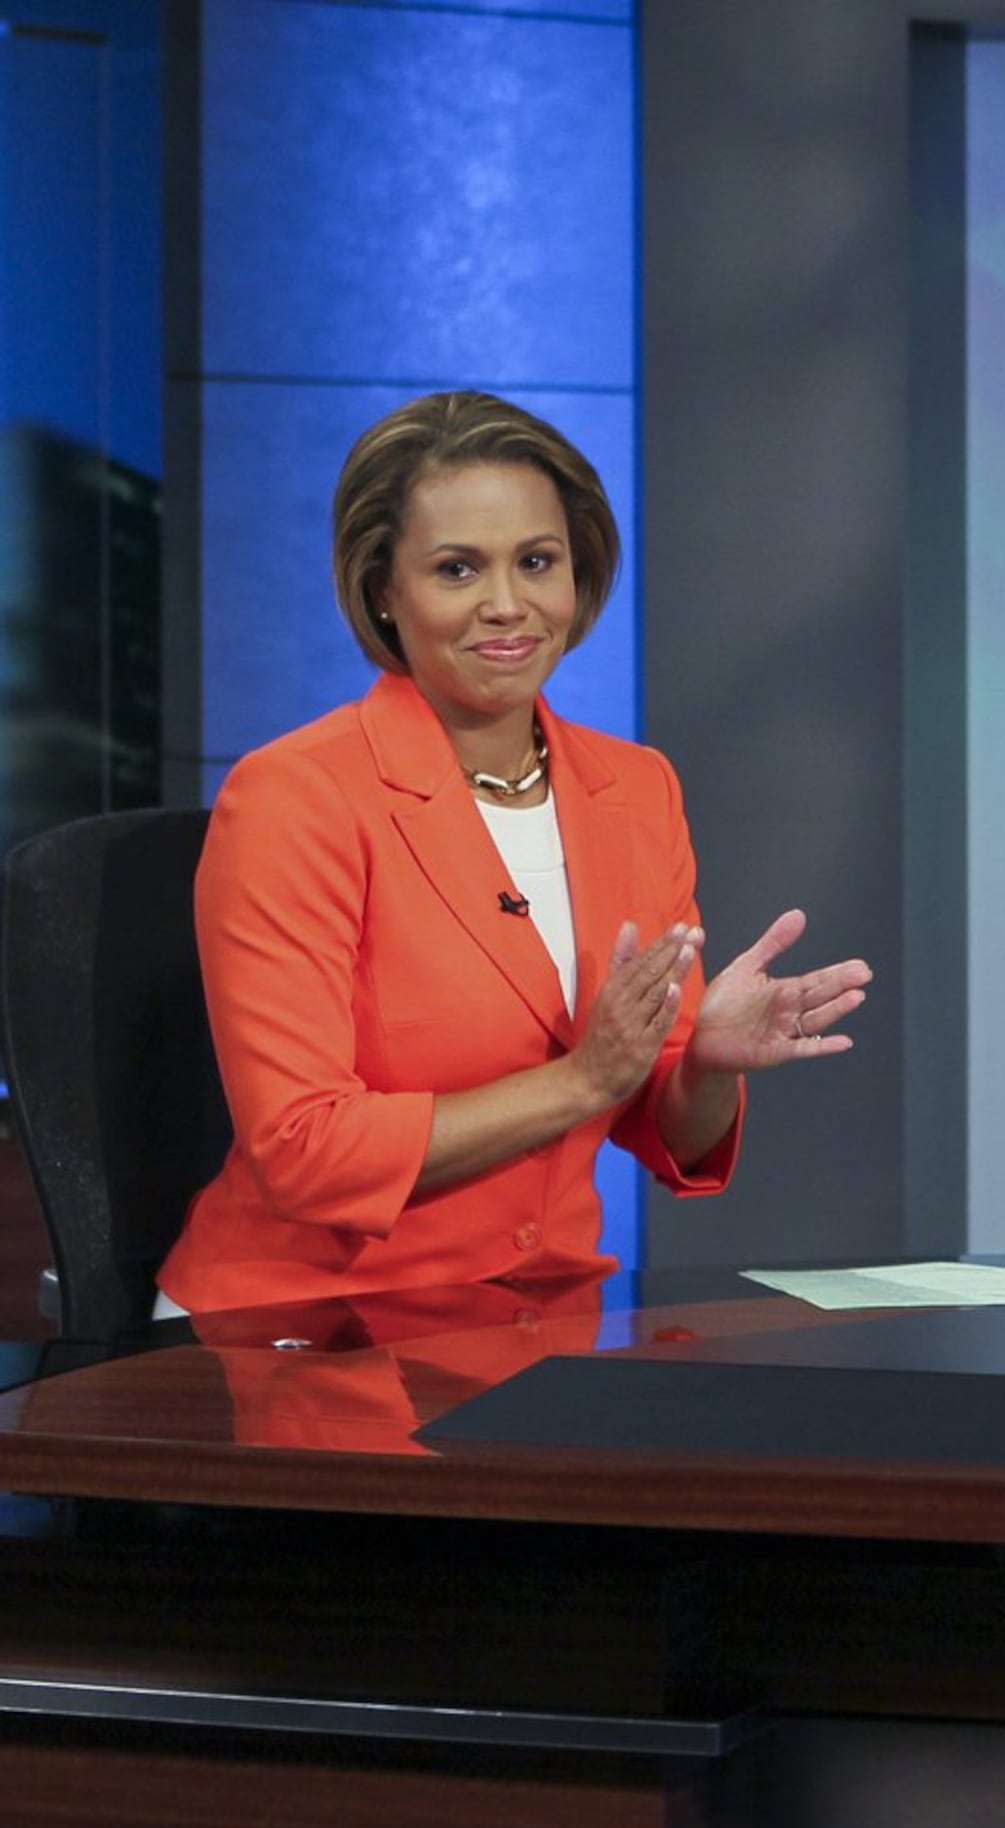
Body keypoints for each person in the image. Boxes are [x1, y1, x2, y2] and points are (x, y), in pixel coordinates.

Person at [162, 393, 867, 1317]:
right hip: (303, 1321)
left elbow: (658, 1118)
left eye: (537, 562)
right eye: (458, 569)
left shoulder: (637, 787)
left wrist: (706, 1069)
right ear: (385, 588)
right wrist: (582, 1079)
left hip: (536, 1312)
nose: (508, 605)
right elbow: (303, 1150)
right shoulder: (297, 797)